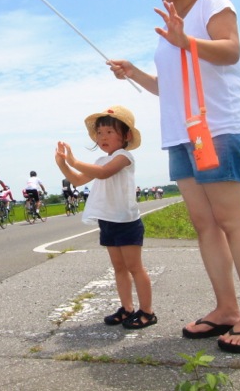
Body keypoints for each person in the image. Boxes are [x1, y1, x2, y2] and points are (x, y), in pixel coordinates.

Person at [108, 0, 240, 353]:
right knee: (205, 225)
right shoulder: (170, 28)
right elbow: (168, 87)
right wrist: (134, 74)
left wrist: (188, 42)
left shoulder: (211, 2)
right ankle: (226, 309)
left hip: (217, 129)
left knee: (231, 221)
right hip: (182, 137)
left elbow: (231, 50)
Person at [55, 105, 156, 330]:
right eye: (99, 133)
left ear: (126, 135)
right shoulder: (100, 160)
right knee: (119, 268)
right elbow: (79, 180)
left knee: (135, 267)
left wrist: (73, 160)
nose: (102, 137)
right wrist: (63, 164)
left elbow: (103, 173)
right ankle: (127, 308)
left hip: (126, 221)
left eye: (109, 132)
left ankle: (147, 312)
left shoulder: (124, 157)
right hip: (108, 221)